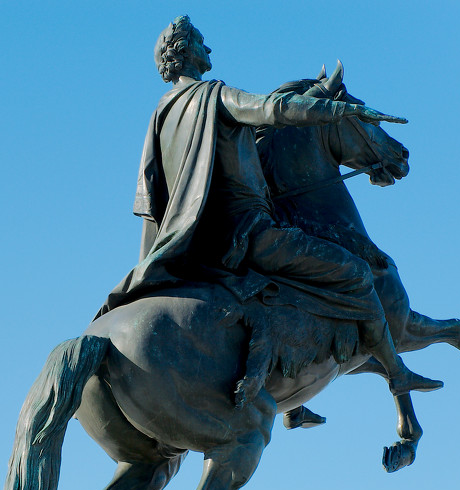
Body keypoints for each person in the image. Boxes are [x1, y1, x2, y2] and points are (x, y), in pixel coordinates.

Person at [98, 15, 441, 398]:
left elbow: (149, 197)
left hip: (200, 246)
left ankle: (297, 400)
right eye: (200, 42)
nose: (207, 49)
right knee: (358, 274)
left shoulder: (161, 115)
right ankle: (397, 373)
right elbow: (272, 110)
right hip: (251, 235)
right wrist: (336, 111)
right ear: (185, 52)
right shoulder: (213, 95)